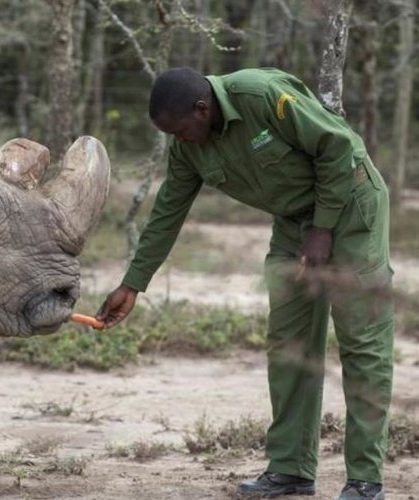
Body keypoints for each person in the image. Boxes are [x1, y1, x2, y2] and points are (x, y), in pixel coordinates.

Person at [96, 67, 393, 500]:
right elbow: (167, 213)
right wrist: (133, 284)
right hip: (294, 224)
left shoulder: (261, 95)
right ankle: (291, 470)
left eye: (181, 130)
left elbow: (339, 145)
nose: (180, 141)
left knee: (362, 342)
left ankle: (365, 481)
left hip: (350, 209)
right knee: (290, 345)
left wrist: (323, 229)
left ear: (202, 108)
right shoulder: (188, 148)